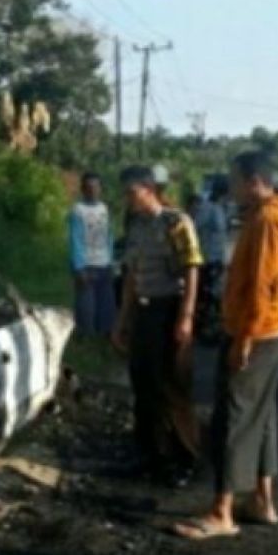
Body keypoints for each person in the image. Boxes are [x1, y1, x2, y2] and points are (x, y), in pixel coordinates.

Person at [175, 152, 278, 539]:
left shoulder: (267, 220)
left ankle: (222, 512)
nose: (229, 189)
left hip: (257, 331)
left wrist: (244, 338)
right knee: (262, 414)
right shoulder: (273, 214)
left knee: (231, 417)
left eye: (233, 181)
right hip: (271, 329)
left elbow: (263, 286)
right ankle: (262, 500)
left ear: (253, 181)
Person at [112, 166, 203, 486]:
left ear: (149, 190)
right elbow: (130, 277)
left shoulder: (176, 222)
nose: (127, 199)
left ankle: (185, 459)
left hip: (171, 309)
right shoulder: (135, 225)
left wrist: (187, 317)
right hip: (144, 311)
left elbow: (192, 269)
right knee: (144, 385)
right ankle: (151, 455)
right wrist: (122, 321)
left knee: (173, 387)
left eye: (132, 192)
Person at [69, 172, 117, 337]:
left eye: (96, 187)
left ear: (101, 189)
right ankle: (86, 338)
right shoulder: (78, 210)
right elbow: (75, 239)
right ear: (83, 189)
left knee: (105, 304)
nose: (93, 191)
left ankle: (103, 336)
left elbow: (109, 236)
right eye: (89, 188)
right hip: (86, 265)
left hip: (104, 263)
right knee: (86, 306)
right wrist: (78, 267)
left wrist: (111, 261)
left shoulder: (104, 209)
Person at [191, 184, 229, 332]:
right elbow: (195, 227)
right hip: (207, 257)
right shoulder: (207, 208)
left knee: (213, 291)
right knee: (206, 292)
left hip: (216, 257)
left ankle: (209, 322)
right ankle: (199, 323)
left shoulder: (221, 208)